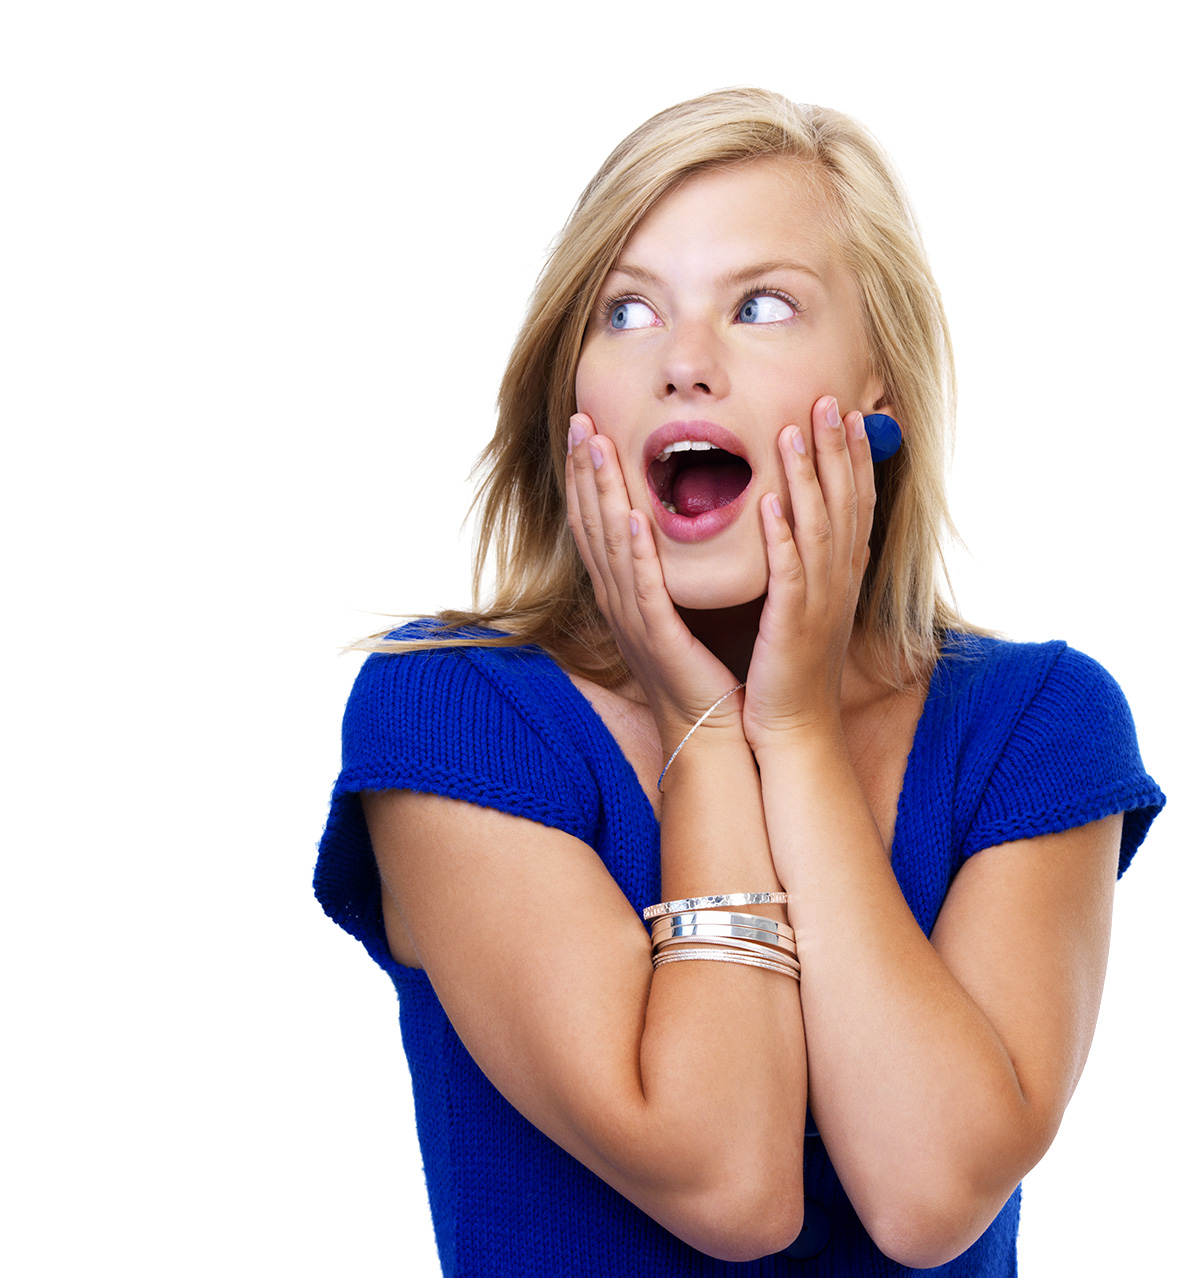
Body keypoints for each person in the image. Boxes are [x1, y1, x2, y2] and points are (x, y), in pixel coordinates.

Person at [314, 88, 1163, 1275]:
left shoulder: (1036, 728)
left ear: (879, 384)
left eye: (761, 305)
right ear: (575, 393)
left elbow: (927, 1200)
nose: (683, 364)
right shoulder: (456, 713)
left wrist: (797, 734)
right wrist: (706, 734)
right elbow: (728, 1181)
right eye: (626, 311)